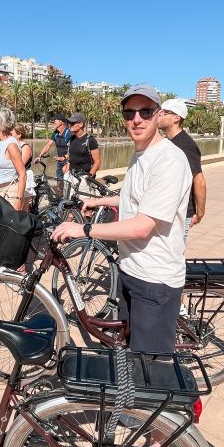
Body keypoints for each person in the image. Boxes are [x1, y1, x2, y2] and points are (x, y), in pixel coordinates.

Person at [52, 84, 191, 354]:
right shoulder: (141, 154)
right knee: (130, 351)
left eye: (145, 111)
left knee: (149, 370)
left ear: (159, 115)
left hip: (154, 281)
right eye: (129, 113)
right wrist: (97, 200)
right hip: (131, 270)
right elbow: (133, 198)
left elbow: (141, 227)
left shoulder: (169, 160)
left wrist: (84, 229)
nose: (136, 119)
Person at [159, 98, 206, 239]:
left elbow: (199, 180)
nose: (158, 116)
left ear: (176, 118)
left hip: (181, 213)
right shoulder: (168, 142)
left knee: (176, 256)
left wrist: (200, 212)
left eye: (163, 113)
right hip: (168, 210)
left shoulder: (186, 145)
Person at [0, 107, 28, 210]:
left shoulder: (11, 145)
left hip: (9, 194)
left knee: (7, 226)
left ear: (0, 123)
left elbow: (22, 174)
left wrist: (18, 200)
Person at [65, 112, 101, 200]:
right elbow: (70, 158)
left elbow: (97, 162)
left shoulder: (90, 140)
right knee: (69, 204)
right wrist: (66, 172)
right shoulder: (71, 139)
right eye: (69, 123)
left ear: (81, 124)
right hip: (71, 176)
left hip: (84, 177)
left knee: (85, 206)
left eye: (73, 123)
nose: (70, 125)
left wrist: (89, 177)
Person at [37, 114, 71, 187]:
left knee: (67, 184)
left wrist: (65, 158)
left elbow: (73, 149)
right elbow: (48, 145)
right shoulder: (55, 133)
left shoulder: (69, 133)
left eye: (54, 121)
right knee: (59, 183)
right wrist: (40, 156)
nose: (52, 123)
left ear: (61, 122)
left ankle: (68, 197)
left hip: (68, 161)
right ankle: (60, 196)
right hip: (59, 160)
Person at [13, 122, 36, 205]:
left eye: (11, 133)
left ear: (19, 135)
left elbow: (21, 164)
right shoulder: (13, 146)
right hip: (16, 176)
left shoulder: (25, 147)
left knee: (23, 206)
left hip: (25, 176)